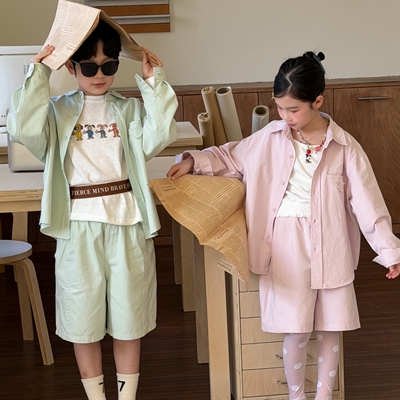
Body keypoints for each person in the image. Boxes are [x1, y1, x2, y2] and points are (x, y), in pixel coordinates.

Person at [167, 51, 400, 400]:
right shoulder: (270, 138)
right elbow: (230, 155)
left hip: (331, 244)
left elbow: (369, 204)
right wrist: (192, 161)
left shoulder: (345, 147)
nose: (286, 117)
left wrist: (389, 250)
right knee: (296, 329)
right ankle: (296, 395)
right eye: (280, 108)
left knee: (331, 327)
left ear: (317, 101)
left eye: (294, 109)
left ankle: (324, 396)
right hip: (285, 245)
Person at [7, 19, 178, 400]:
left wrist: (154, 83)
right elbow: (23, 129)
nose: (99, 74)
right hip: (77, 226)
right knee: (82, 319)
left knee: (129, 319)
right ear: (72, 67)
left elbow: (159, 136)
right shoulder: (56, 112)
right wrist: (38, 74)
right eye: (89, 66)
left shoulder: (129, 111)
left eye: (109, 65)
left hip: (127, 222)